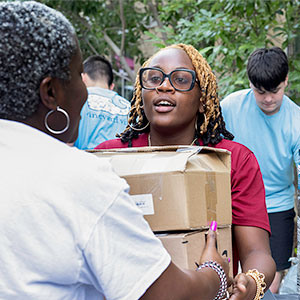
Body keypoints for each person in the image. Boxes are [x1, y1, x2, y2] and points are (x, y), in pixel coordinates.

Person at [0, 2, 231, 300]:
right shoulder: (80, 178)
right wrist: (214, 271)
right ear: (51, 92)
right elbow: (168, 295)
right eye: (77, 76)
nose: (86, 92)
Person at [95, 43, 277, 300]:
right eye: (154, 78)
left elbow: (256, 252)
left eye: (180, 80)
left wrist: (251, 284)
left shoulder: (233, 160)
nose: (164, 86)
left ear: (203, 101)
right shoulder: (107, 159)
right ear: (140, 93)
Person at [220, 47, 300, 293]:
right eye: (260, 91)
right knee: (230, 276)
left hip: (277, 206)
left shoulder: (296, 120)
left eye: (274, 91)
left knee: (266, 286)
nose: (267, 99)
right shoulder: (231, 106)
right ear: (250, 84)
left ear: (286, 80)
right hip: (235, 202)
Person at [74, 55, 130, 150]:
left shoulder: (75, 101)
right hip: (123, 163)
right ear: (111, 86)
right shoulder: (129, 107)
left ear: (83, 77)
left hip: (83, 162)